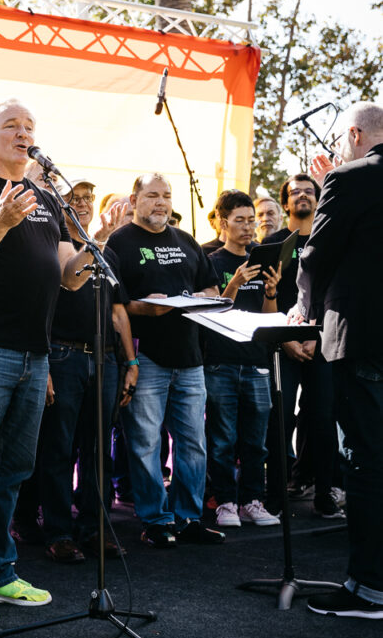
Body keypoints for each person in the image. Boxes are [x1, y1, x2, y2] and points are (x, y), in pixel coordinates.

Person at [0, 98, 125, 623]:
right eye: (10, 125)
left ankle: (0, 571)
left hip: (35, 356)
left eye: (29, 127)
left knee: (14, 469)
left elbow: (68, 275)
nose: (22, 133)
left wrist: (101, 239)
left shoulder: (44, 198)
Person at [296, 103, 383, 618]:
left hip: (363, 341)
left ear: (353, 134)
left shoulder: (350, 179)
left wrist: (304, 309)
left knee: (368, 463)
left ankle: (369, 588)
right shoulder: (349, 179)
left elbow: (318, 254)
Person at [107, 173, 224, 548]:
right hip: (146, 355)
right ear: (134, 198)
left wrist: (202, 298)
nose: (161, 202)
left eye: (166, 196)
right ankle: (156, 519)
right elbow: (115, 303)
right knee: (144, 444)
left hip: (190, 358)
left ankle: (188, 517)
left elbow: (210, 286)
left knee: (193, 442)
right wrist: (147, 307)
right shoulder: (120, 242)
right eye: (152, 195)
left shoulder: (186, 240)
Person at [35, 178, 136, 563]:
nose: (83, 203)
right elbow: (51, 299)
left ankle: (95, 528)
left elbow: (117, 310)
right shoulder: (51, 245)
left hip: (105, 356)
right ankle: (59, 531)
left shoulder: (107, 250)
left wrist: (130, 361)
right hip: (62, 354)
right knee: (59, 446)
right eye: (74, 198)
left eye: (89, 198)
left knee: (98, 449)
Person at [262, 173, 343, 519]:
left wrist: (316, 336)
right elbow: (268, 297)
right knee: (279, 420)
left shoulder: (332, 239)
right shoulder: (274, 243)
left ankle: (325, 493)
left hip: (323, 342)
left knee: (323, 418)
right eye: (295, 193)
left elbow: (337, 293)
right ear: (286, 202)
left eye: (309, 192)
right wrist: (289, 339)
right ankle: (275, 498)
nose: (303, 197)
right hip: (283, 343)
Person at [204, 190, 281, 528]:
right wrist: (234, 283)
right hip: (221, 360)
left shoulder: (263, 258)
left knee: (256, 441)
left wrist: (271, 292)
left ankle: (253, 500)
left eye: (251, 220)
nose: (249, 227)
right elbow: (211, 312)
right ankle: (225, 502)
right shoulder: (212, 262)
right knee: (221, 439)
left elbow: (270, 316)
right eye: (240, 220)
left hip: (256, 361)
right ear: (223, 223)